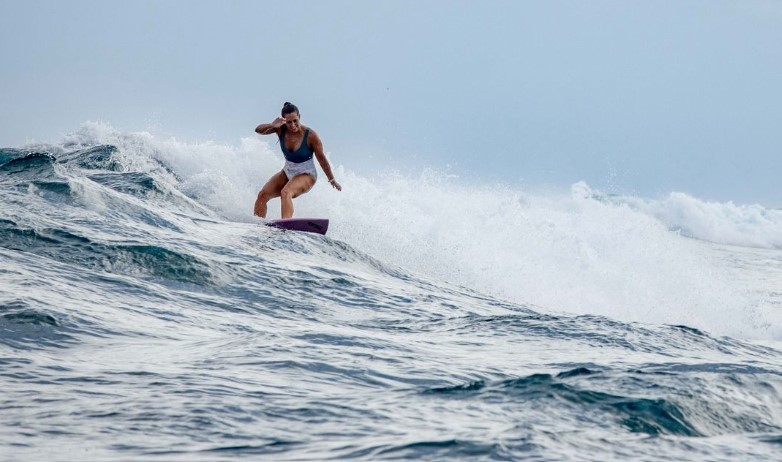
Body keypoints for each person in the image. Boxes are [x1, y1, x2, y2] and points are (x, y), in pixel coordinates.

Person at [253, 102, 342, 219]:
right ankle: (257, 225)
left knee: (285, 192)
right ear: (284, 120)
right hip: (287, 171)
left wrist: (331, 179)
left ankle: (286, 225)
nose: (293, 125)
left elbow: (322, 159)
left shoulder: (311, 135)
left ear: (299, 117)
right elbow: (258, 130)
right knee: (262, 195)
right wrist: (273, 125)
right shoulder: (280, 129)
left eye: (295, 120)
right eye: (289, 122)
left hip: (307, 174)